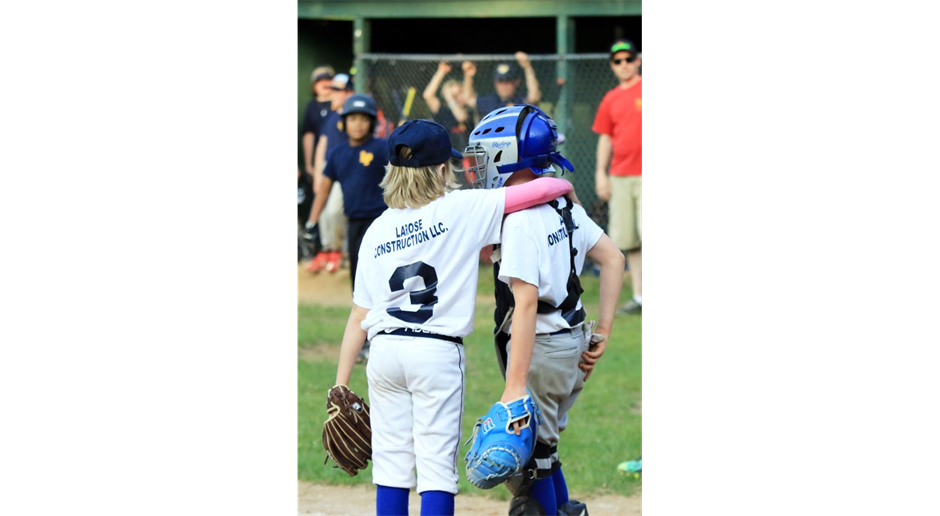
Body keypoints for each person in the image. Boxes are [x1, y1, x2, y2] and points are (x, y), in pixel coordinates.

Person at [330, 119, 575, 516]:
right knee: (436, 470)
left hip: (384, 351)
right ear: (444, 169)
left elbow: (360, 312)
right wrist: (565, 185)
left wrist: (340, 384)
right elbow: (543, 189)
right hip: (435, 353)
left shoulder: (376, 229)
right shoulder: (461, 208)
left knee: (391, 465)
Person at [467, 104, 625, 516]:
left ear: (506, 156)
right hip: (570, 342)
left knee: (528, 465)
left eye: (484, 155)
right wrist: (601, 331)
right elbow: (614, 258)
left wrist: (514, 387)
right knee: (544, 450)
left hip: (542, 349)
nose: (477, 166)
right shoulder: (563, 203)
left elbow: (525, 305)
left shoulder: (522, 222)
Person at [304, 93, 388, 292]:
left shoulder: (382, 148)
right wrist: (312, 223)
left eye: (363, 119)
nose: (357, 124)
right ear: (343, 123)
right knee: (357, 280)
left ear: (372, 122)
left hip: (380, 223)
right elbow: (324, 191)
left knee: (380, 277)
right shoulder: (337, 153)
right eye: (352, 119)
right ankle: (362, 321)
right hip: (353, 223)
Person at [593, 39, 642, 315]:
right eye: (617, 61)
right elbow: (605, 138)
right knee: (631, 241)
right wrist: (601, 173)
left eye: (628, 59)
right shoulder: (610, 98)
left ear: (637, 61)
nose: (623, 65)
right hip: (621, 175)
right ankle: (639, 297)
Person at [306, 73, 355, 273]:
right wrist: (318, 174)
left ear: (349, 92)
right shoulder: (333, 115)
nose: (332, 93)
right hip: (328, 167)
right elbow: (322, 145)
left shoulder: (354, 116)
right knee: (324, 212)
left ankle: (337, 251)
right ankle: (326, 250)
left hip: (344, 169)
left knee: (335, 210)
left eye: (338, 90)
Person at [462, 51, 541, 122]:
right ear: (496, 83)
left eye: (507, 82)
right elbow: (469, 99)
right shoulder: (491, 101)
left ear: (516, 82)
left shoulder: (520, 100)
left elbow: (534, 96)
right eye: (500, 82)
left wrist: (527, 67)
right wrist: (468, 75)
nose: (503, 86)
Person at [421, 61, 473, 153]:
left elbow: (460, 117)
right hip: (444, 152)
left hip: (465, 154)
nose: (457, 98)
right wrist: (441, 72)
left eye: (459, 93)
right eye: (454, 95)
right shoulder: (442, 110)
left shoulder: (467, 109)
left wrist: (450, 98)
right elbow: (427, 96)